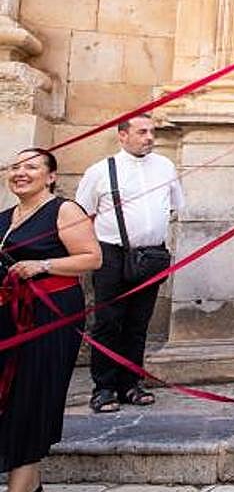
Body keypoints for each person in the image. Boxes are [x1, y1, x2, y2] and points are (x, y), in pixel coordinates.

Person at [0, 149, 102, 492]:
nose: (20, 172)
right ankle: (33, 487)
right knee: (11, 396)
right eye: (16, 166)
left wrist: (42, 264)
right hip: (10, 316)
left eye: (31, 166)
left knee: (31, 394)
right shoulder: (5, 217)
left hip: (51, 316)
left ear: (51, 176)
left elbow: (92, 258)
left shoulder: (64, 210)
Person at [75, 113, 184, 414]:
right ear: (122, 135)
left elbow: (174, 204)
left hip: (151, 255)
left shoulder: (165, 166)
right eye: (141, 132)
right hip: (111, 254)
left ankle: (131, 383)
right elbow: (82, 214)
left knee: (138, 323)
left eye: (151, 132)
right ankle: (104, 387)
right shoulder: (100, 171)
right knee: (109, 321)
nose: (149, 137)